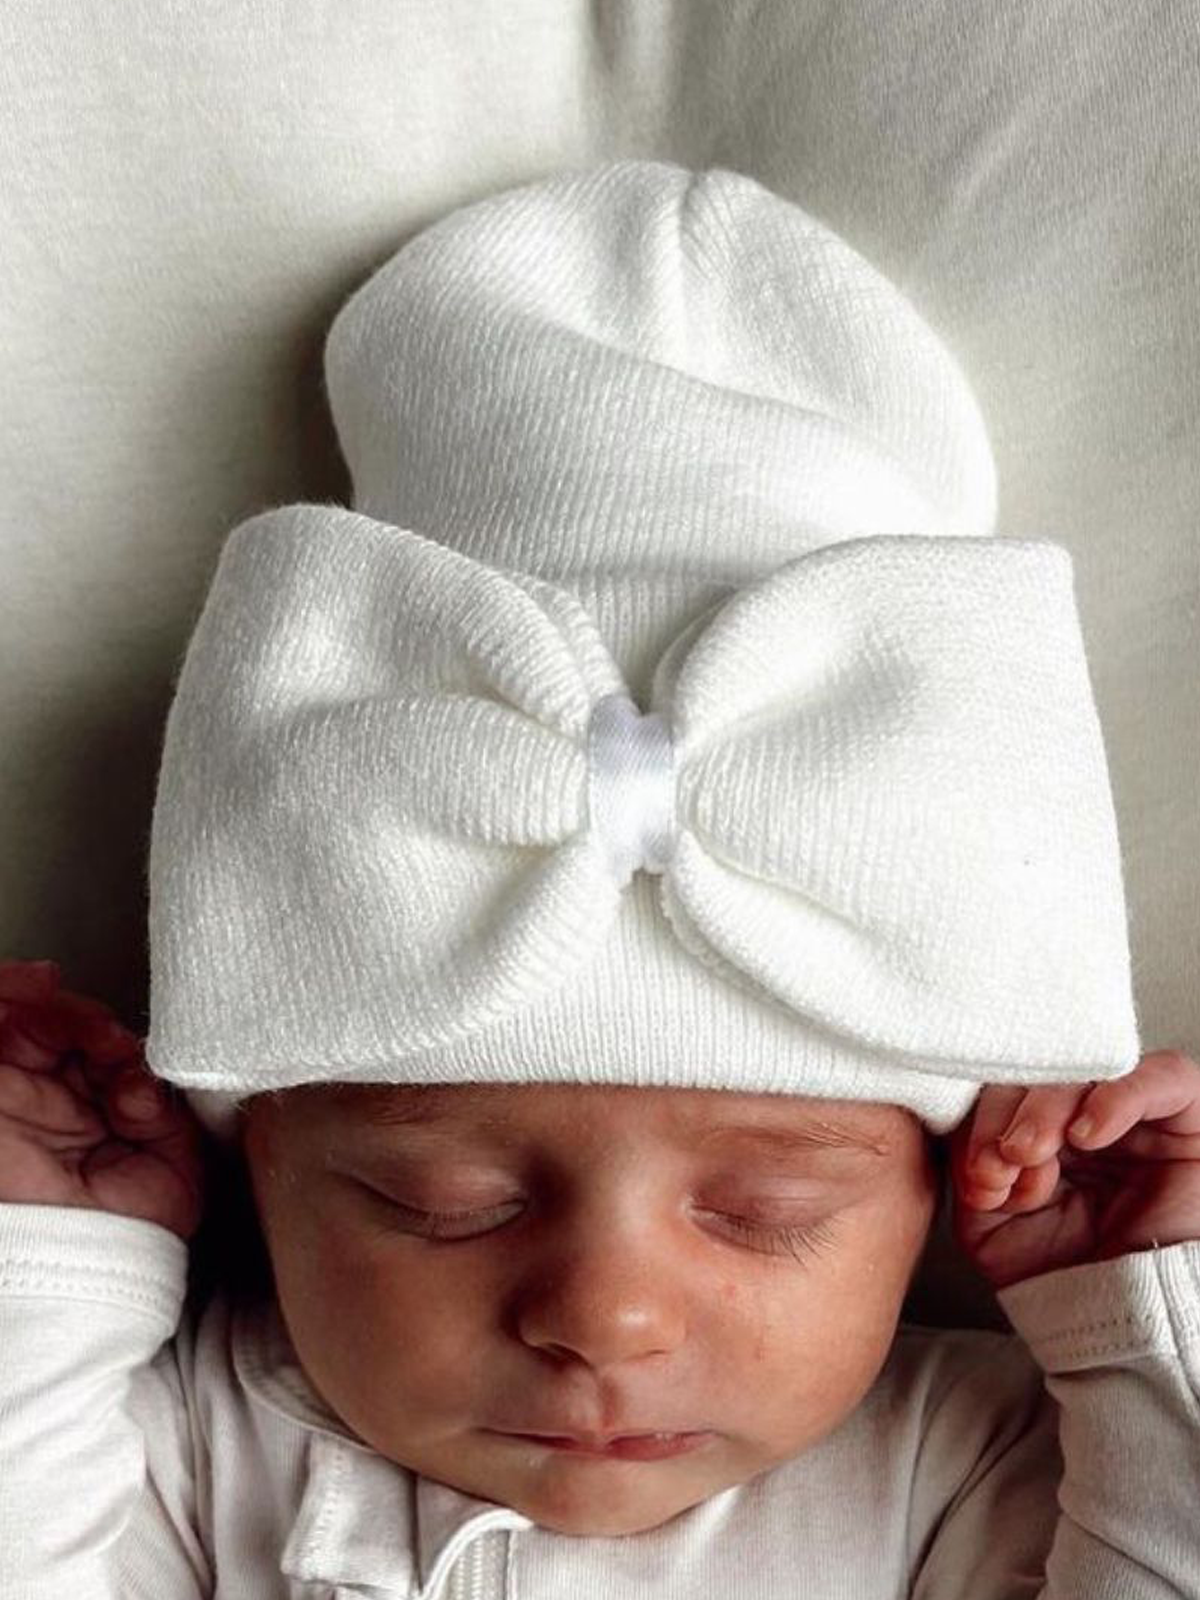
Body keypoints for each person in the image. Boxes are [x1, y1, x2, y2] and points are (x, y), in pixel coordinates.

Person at [1, 158, 1197, 1599]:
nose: (605, 1316)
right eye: (440, 1200)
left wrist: (1149, 1322)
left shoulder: (980, 1467)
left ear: (940, 1196)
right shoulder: (182, 1445)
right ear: (255, 1167)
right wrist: (46, 1282)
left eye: (767, 1209)